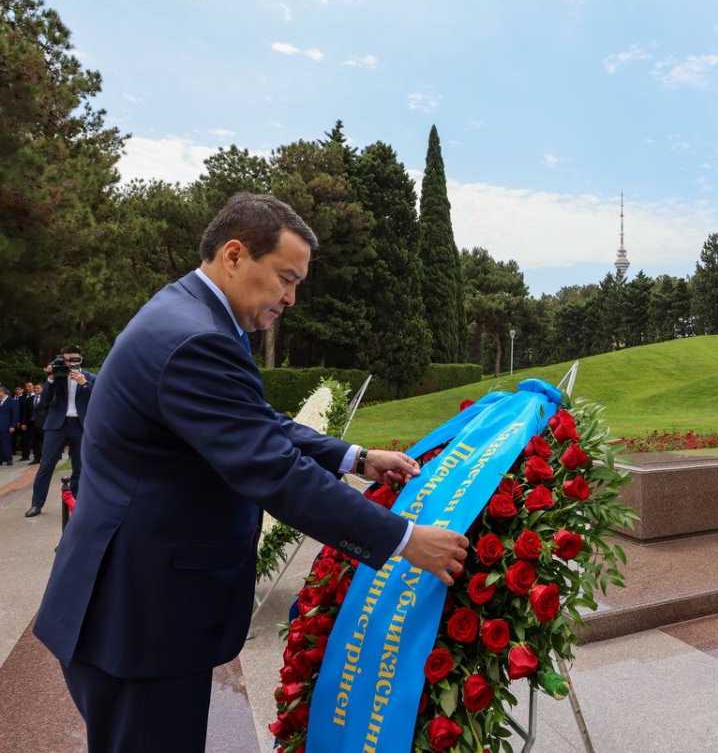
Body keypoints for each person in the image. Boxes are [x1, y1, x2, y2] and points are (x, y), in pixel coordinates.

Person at [34, 193, 468, 753]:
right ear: (235, 255)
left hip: (135, 606)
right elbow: (274, 472)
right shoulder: (195, 338)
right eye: (285, 278)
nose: (290, 298)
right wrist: (407, 541)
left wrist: (354, 457)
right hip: (140, 621)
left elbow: (255, 421)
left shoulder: (192, 313)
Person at [24, 347, 96, 517]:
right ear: (62, 360)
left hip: (80, 425)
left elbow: (100, 397)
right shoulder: (57, 377)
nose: (71, 362)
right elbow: (44, 403)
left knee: (79, 466)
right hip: (56, 426)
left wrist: (83, 383)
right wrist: (49, 379)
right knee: (46, 465)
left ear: (81, 359)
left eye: (74, 359)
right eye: (67, 359)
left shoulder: (90, 377)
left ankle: (76, 503)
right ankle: (36, 504)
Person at [29, 381, 46, 464]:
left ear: (42, 389)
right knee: (35, 442)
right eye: (35, 388)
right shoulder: (30, 399)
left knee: (45, 442)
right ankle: (36, 458)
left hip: (43, 424)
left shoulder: (46, 398)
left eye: (38, 388)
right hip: (33, 424)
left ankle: (46, 458)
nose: (36, 390)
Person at [0, 385, 16, 465]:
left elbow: (15, 414)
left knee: (6, 443)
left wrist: (13, 425)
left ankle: (8, 459)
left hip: (6, 426)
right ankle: (1, 459)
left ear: (2, 392)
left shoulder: (11, 401)